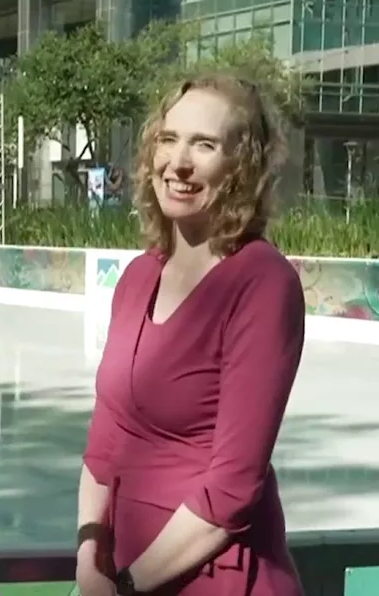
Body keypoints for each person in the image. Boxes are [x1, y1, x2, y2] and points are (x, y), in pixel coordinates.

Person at [77, 74, 305, 596]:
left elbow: (231, 492)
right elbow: (103, 446)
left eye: (204, 145)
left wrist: (128, 588)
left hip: (217, 579)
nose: (178, 162)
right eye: (168, 138)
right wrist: (90, 560)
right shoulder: (137, 278)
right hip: (125, 574)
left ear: (241, 168)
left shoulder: (263, 284)